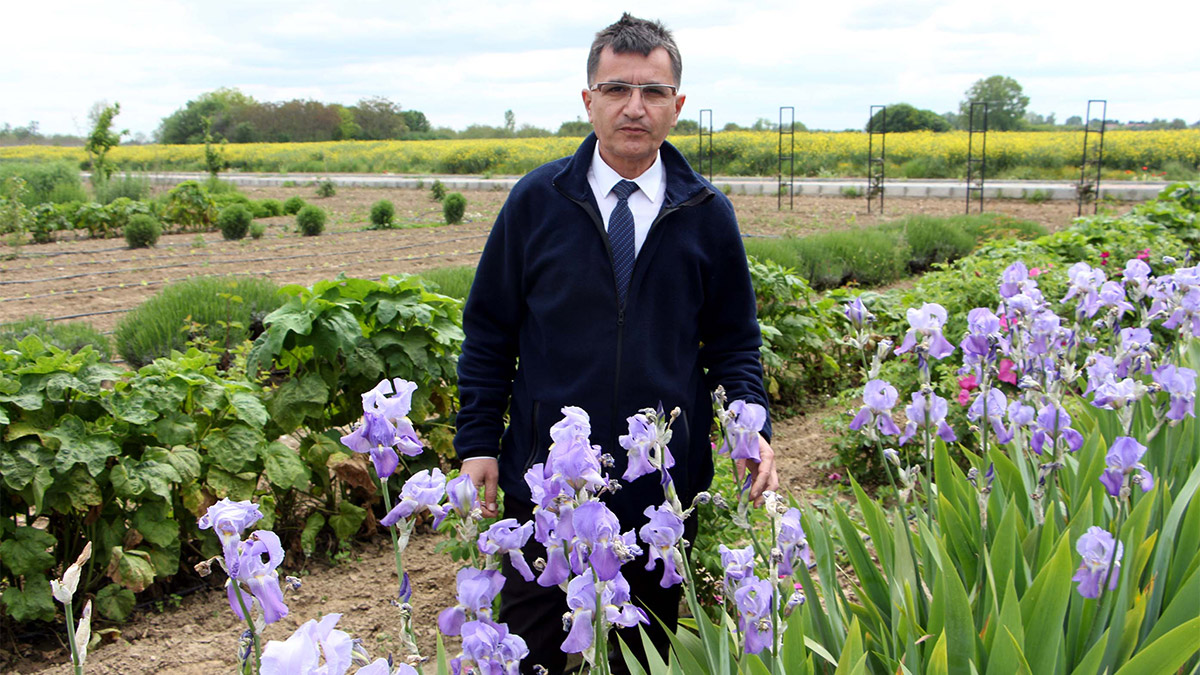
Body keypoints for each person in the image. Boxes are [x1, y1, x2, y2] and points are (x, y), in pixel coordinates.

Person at [454, 13, 777, 674]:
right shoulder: (536, 203)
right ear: (588, 100)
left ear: (677, 105)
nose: (635, 107)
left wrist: (751, 427)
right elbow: (489, 330)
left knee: (638, 662)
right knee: (524, 657)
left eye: (653, 92)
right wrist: (478, 442)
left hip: (654, 496)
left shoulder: (707, 213)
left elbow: (736, 343)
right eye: (617, 89)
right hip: (547, 496)